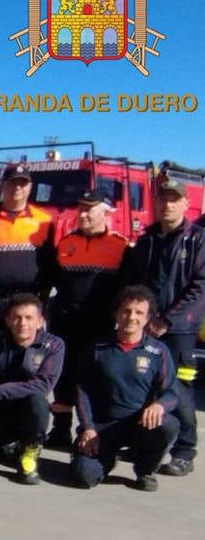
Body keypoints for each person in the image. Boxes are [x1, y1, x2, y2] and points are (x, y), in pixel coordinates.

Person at [120, 177, 205, 477]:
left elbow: (200, 286)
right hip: (144, 327)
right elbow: (133, 284)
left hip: (178, 331)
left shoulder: (198, 240)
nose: (167, 204)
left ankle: (184, 450)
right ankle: (145, 440)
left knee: (179, 388)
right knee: (144, 383)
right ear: (156, 203)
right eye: (163, 199)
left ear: (185, 203)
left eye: (174, 199)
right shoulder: (146, 241)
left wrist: (167, 320)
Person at [71, 285, 180, 492]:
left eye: (139, 313)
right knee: (83, 477)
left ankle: (145, 470)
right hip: (103, 427)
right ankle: (104, 459)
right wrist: (88, 427)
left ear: (148, 318)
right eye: (126, 311)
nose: (132, 317)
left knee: (167, 424)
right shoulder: (97, 349)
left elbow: (171, 392)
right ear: (116, 314)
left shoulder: (158, 351)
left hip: (140, 424)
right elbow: (82, 391)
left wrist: (159, 405)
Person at [45, 189, 127, 448]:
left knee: (91, 378)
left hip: (99, 325)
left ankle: (86, 429)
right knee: (62, 376)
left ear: (105, 212)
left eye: (89, 209)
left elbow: (126, 289)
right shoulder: (67, 243)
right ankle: (59, 430)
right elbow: (53, 280)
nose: (82, 214)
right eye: (80, 208)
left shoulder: (120, 247)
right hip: (65, 323)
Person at [0, 294, 65, 484]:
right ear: (8, 321)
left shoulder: (54, 345)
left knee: (38, 400)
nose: (22, 323)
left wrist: (1, 392)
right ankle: (7, 448)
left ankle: (29, 449)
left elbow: (43, 383)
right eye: (17, 317)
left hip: (28, 414)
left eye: (29, 318)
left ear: (40, 321)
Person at [0, 163, 55, 356]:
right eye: (12, 183)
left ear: (30, 187)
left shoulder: (44, 221)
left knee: (25, 360)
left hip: (29, 304)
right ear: (2, 185)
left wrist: (41, 301)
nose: (17, 187)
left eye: (22, 183)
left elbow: (49, 264)